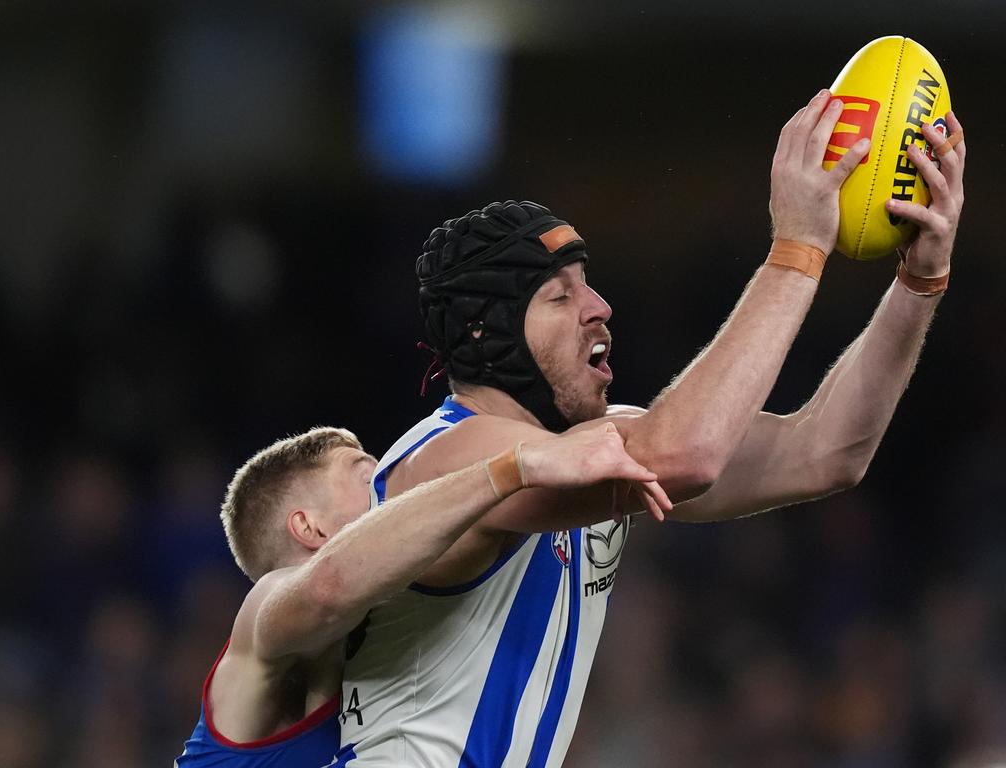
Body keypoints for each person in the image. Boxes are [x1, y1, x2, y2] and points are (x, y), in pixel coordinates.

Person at [330, 93, 966, 766]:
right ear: (491, 334)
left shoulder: (599, 445)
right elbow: (687, 454)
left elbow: (826, 453)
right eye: (559, 295)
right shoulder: (449, 457)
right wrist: (798, 248)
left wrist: (920, 282)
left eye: (589, 284)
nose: (599, 308)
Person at [174, 422, 669, 766]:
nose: (392, 492)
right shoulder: (266, 607)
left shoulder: (375, 648)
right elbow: (328, 586)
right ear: (309, 526)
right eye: (368, 476)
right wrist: (514, 467)